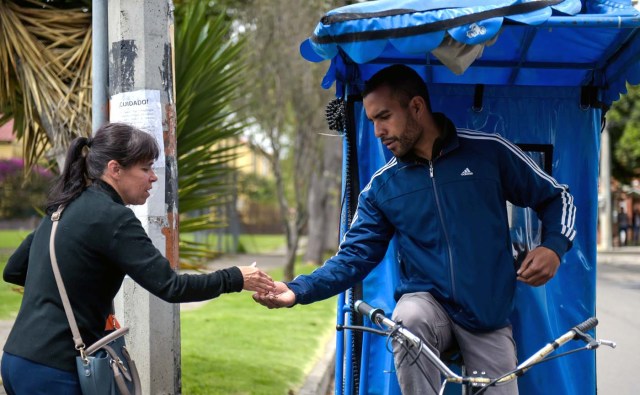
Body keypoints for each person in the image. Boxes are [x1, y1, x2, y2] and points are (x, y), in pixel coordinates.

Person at [253, 64, 576, 394]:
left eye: (384, 117)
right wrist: (297, 290)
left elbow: (557, 198)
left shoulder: (487, 152)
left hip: (487, 316)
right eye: (372, 122)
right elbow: (352, 259)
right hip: (427, 310)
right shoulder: (383, 187)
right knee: (407, 319)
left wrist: (553, 246)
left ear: (417, 107)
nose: (378, 131)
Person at [1, 123, 275, 395]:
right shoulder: (114, 218)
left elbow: (14, 270)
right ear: (115, 169)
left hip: (16, 360)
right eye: (145, 169)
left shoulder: (63, 205)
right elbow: (171, 287)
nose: (153, 178)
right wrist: (236, 278)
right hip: (54, 371)